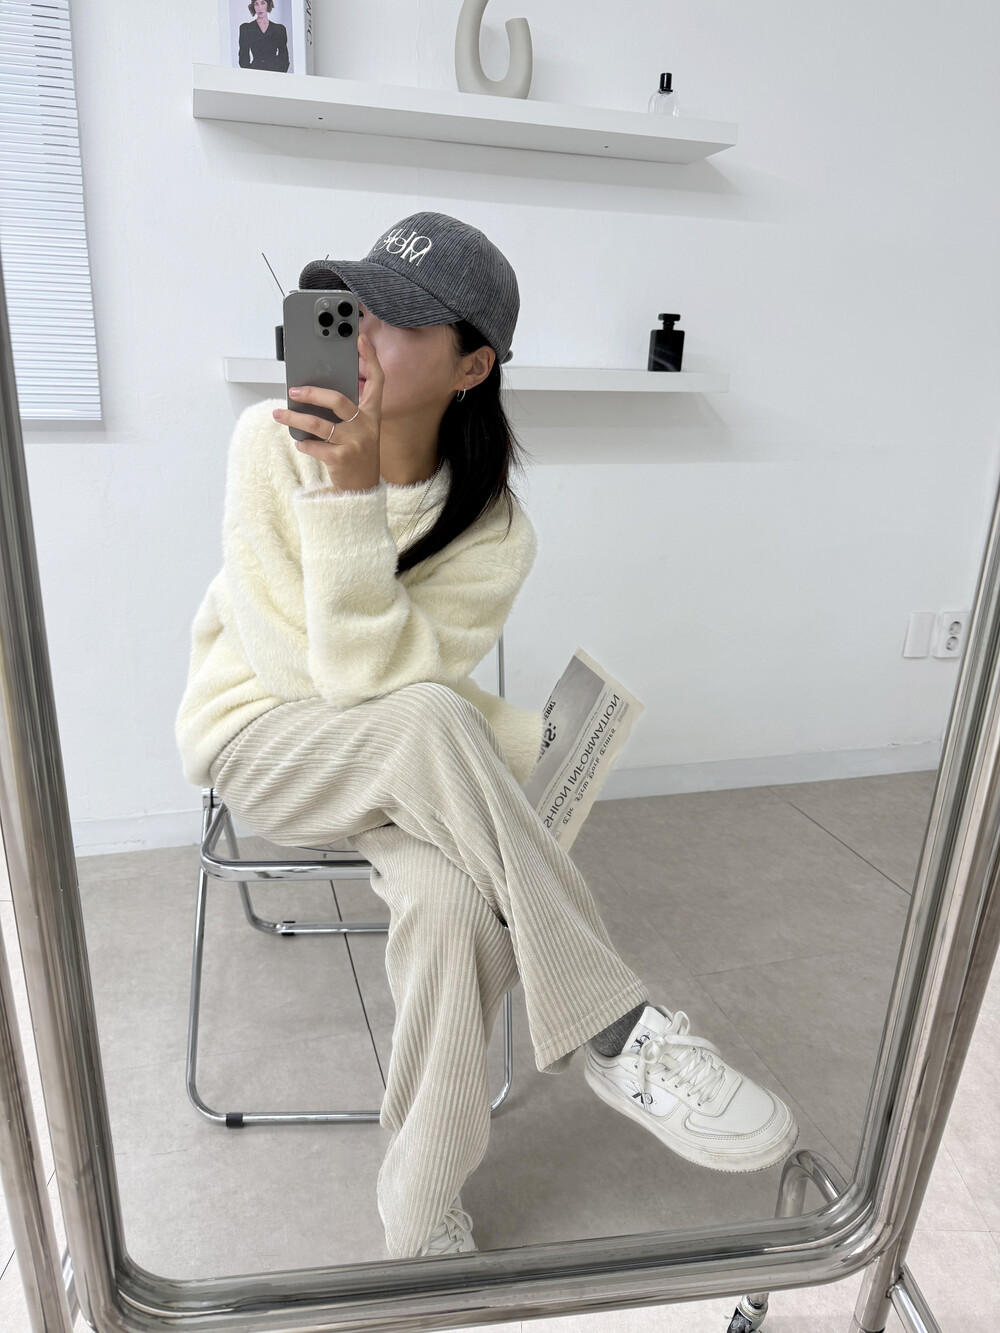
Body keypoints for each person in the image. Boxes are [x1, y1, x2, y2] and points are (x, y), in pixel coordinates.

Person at [174, 210, 799, 1261]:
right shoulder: (269, 444)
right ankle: (613, 1026)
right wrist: (348, 496)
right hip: (266, 741)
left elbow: (384, 684)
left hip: (406, 767)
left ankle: (421, 1216)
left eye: (400, 319)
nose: (364, 333)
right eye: (358, 306)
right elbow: (309, 674)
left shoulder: (496, 530)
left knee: (455, 904)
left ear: (473, 366)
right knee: (427, 715)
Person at [238, 0, 289, 72]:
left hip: (275, 72)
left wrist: (279, 74)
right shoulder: (246, 28)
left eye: (262, 3)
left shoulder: (279, 29)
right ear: (253, 6)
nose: (260, 8)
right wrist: (250, 74)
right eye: (256, 4)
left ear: (268, 4)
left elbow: (284, 57)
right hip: (255, 72)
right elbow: (243, 56)